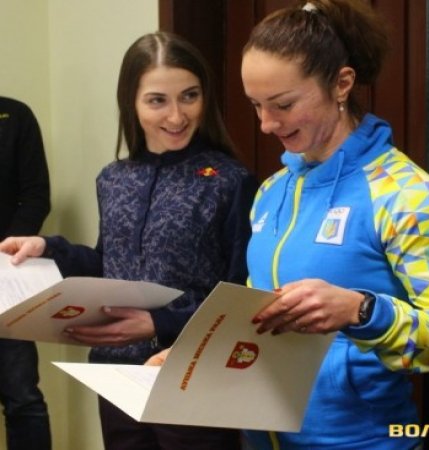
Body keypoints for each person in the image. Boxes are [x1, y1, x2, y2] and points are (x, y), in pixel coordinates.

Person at [222, 1, 429, 448]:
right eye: (256, 105)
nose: (266, 124)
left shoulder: (408, 196)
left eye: (283, 104)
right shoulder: (272, 191)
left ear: (341, 83)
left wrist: (361, 311)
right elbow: (260, 322)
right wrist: (193, 361)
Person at [0, 32, 258, 450]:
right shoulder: (114, 179)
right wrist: (49, 250)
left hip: (191, 375)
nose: (176, 115)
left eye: (189, 96)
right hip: (115, 376)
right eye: (157, 100)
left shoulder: (229, 180)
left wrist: (160, 323)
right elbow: (110, 264)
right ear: (131, 103)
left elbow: (240, 294)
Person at [0, 96, 52, 449]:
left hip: (6, 279)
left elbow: (35, 197)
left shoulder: (15, 116)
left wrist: (4, 256)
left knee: (23, 399)